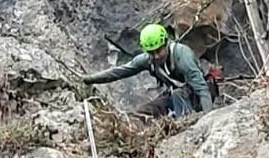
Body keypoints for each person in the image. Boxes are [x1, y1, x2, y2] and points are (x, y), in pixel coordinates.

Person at [81, 23, 213, 117]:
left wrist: (208, 119)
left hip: (199, 93)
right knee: (144, 112)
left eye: (158, 51)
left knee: (178, 95)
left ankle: (184, 125)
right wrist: (88, 79)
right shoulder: (147, 60)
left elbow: (202, 89)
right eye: (151, 52)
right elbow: (119, 72)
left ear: (166, 43)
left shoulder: (183, 56)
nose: (156, 56)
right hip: (174, 94)